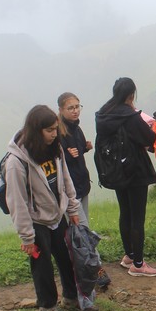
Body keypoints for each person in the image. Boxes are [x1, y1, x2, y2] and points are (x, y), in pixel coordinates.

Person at [4, 104, 82, 311]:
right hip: (37, 221)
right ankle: (47, 307)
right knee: (43, 265)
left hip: (58, 215)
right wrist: (26, 236)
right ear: (36, 130)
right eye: (49, 131)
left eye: (55, 129)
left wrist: (72, 208)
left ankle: (71, 297)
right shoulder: (16, 162)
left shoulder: (55, 148)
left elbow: (65, 178)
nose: (54, 134)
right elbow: (16, 201)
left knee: (67, 258)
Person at [94, 77, 156, 277]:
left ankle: (129, 256)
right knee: (137, 217)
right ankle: (139, 264)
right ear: (131, 95)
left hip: (115, 170)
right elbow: (149, 139)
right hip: (135, 170)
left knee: (125, 212)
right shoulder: (130, 116)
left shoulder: (103, 114)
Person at [58, 92, 92, 227]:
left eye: (77, 107)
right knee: (82, 227)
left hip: (82, 183)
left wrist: (85, 148)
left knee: (82, 225)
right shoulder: (58, 132)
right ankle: (88, 249)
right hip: (70, 188)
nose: (75, 111)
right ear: (61, 110)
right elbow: (55, 159)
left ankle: (79, 248)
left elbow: (77, 152)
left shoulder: (76, 128)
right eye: (71, 108)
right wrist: (67, 155)